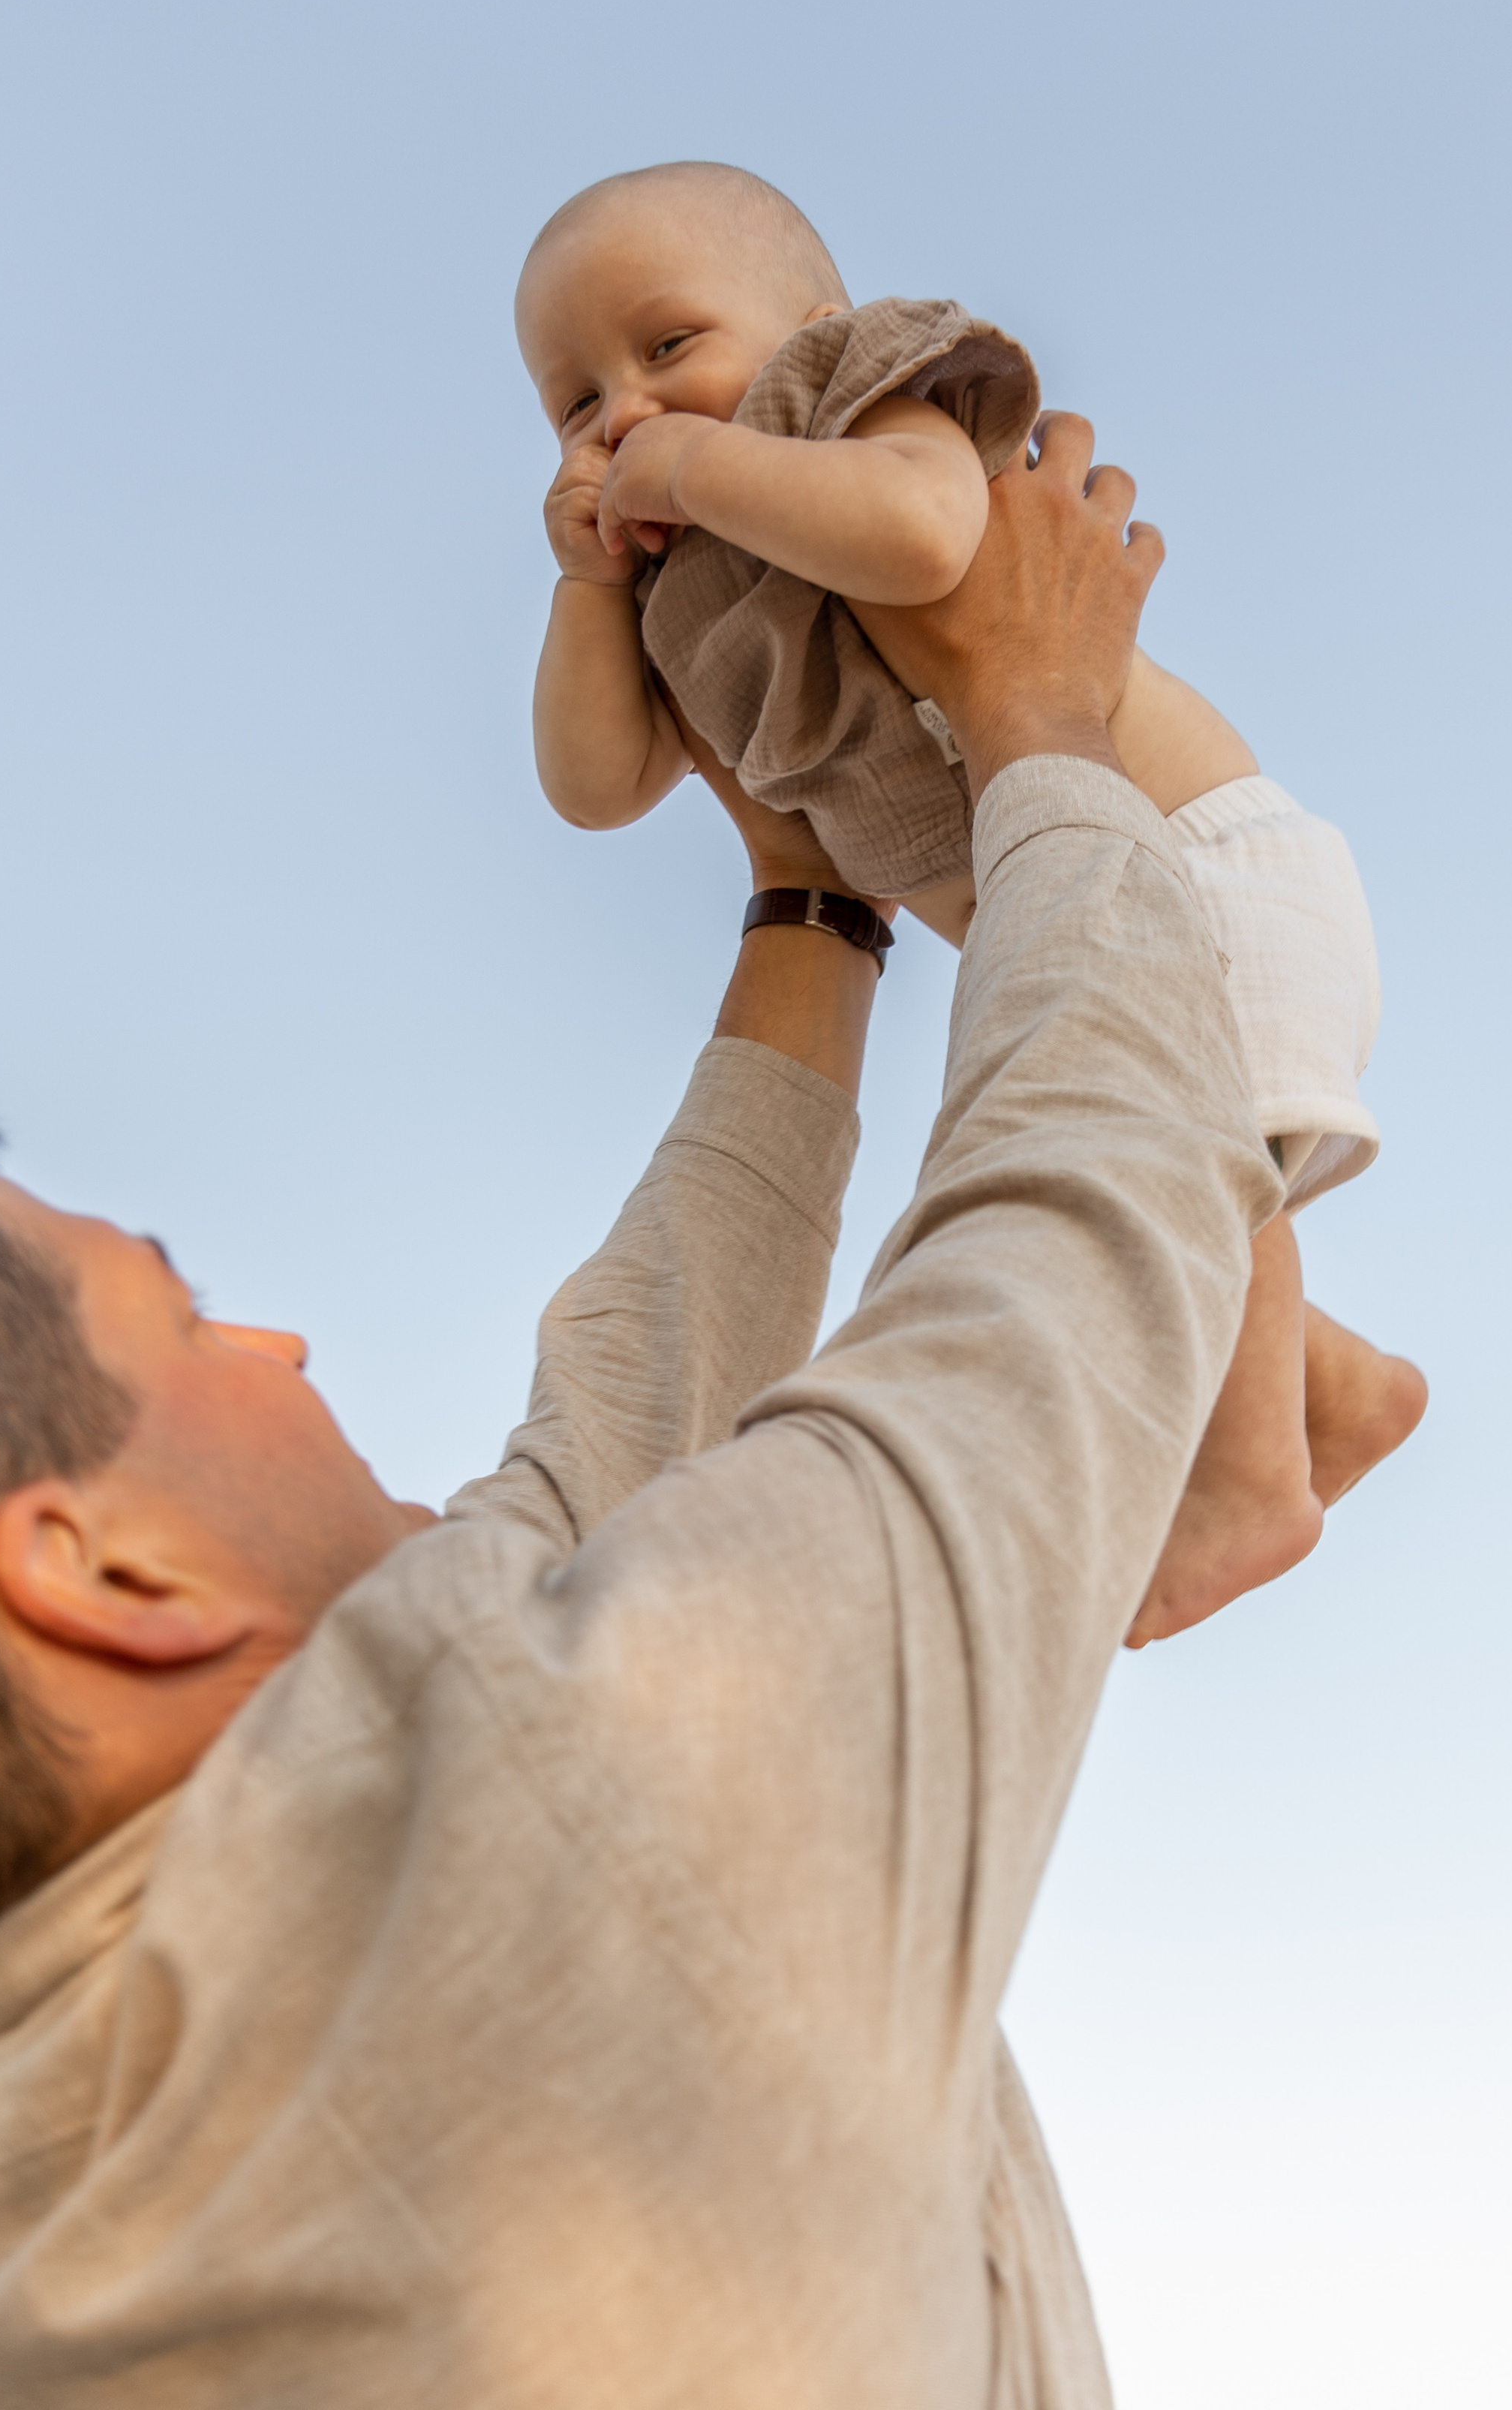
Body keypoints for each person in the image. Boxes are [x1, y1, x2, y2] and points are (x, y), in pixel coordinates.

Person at [0, 422, 1258, 2404]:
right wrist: (1045, 728)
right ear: (103, 1569)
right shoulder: (598, 1843)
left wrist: (807, 905)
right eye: (182, 1315)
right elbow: (1077, 1255)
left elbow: (600, 1448)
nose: (276, 1348)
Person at [522, 161, 1425, 1644]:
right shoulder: (668, 581)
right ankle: (1326, 1384)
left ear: (801, 318)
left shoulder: (845, 391)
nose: (623, 408)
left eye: (667, 347)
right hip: (1083, 935)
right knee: (1140, 1178)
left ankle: (1244, 1478)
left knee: (1159, 1141)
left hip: (1191, 872)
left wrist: (687, 465)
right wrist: (580, 586)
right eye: (573, 402)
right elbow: (596, 782)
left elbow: (927, 539)